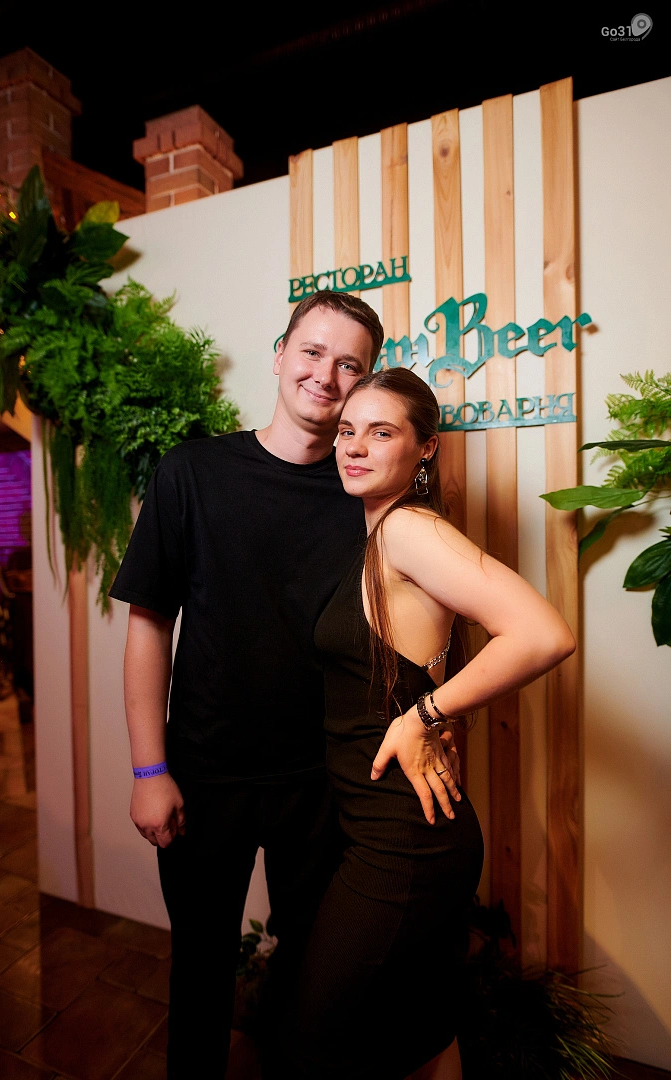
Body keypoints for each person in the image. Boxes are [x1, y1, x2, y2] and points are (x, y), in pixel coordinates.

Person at [108, 294, 462, 1079]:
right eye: (311, 352)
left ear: (366, 381)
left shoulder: (367, 490)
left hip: (326, 783)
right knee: (200, 972)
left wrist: (432, 720)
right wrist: (148, 768)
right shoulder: (192, 472)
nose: (325, 376)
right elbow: (148, 625)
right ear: (279, 354)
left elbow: (421, 620)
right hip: (204, 775)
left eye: (350, 365)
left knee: (310, 982)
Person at [280, 366, 576, 1080]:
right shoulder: (380, 536)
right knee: (419, 1034)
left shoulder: (408, 531)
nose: (355, 446)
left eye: (381, 432)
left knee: (314, 1044)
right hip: (395, 827)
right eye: (347, 430)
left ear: (426, 448)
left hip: (403, 843)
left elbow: (543, 633)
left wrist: (425, 715)